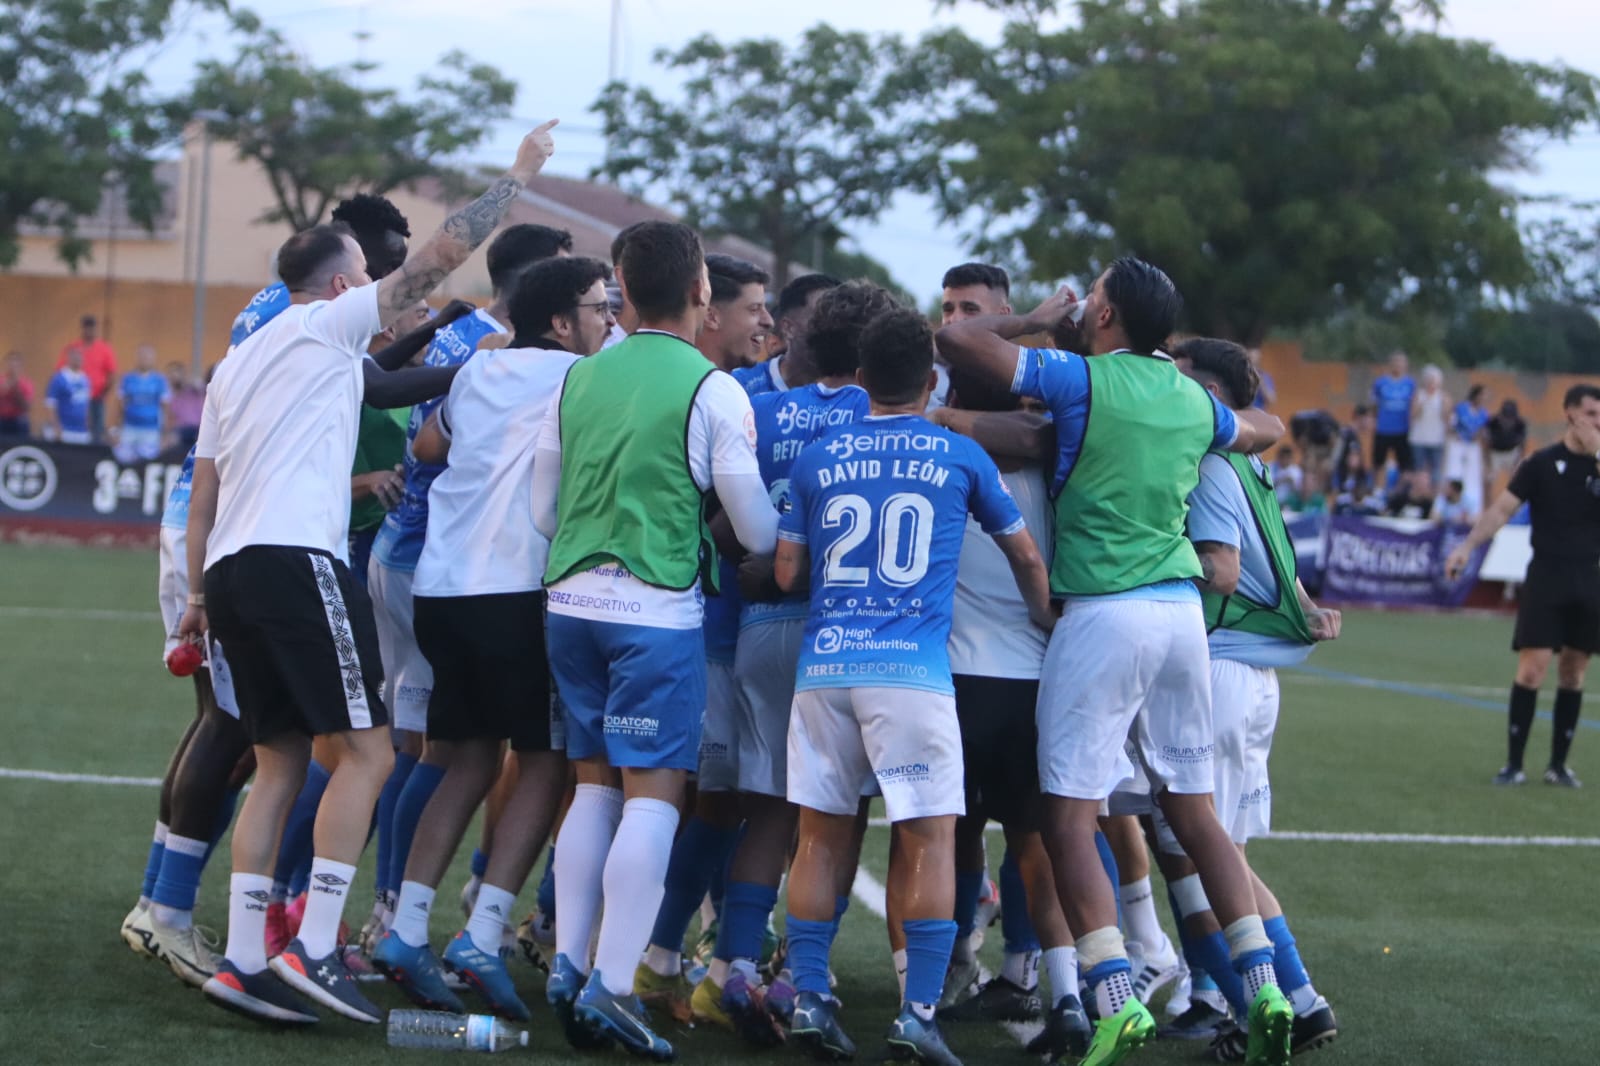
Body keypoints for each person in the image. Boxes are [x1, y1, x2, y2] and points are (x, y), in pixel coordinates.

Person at [181, 117, 560, 1027]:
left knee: (276, 765)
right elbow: (440, 254)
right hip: (293, 558)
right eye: (367, 272)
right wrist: (517, 175)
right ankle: (313, 946)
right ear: (345, 283)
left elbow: (208, 487)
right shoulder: (326, 323)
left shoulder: (241, 365)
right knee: (370, 751)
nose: (380, 285)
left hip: (232, 570)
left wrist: (194, 596)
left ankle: (243, 961)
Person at [935, 257, 1292, 1066]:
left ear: (1103, 316)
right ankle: (1263, 983)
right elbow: (1265, 427)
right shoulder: (1190, 397)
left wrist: (1031, 318)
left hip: (1102, 613)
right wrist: (1223, 424)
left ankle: (1112, 995)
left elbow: (957, 341)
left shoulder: (1079, 379)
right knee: (1195, 813)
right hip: (1180, 620)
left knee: (1067, 816)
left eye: (1090, 298)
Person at [774, 306, 1052, 1066]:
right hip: (911, 672)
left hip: (825, 666)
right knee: (928, 836)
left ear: (860, 381)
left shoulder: (819, 456)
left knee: (822, 836)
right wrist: (1043, 615)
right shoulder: (958, 453)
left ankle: (808, 996)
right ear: (931, 381)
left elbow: (788, 572)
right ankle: (919, 1012)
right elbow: (1026, 556)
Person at [531, 220, 779, 1059]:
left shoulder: (579, 379)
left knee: (593, 788)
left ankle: (569, 966)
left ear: (620, 289)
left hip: (569, 604)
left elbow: (541, 507)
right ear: (702, 291)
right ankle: (611, 983)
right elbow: (751, 522)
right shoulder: (715, 390)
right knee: (652, 797)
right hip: (654, 611)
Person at [373, 255, 615, 1020]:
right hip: (516, 589)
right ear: (560, 320)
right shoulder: (584, 378)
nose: (609, 320)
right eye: (598, 308)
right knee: (546, 763)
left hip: (443, 587)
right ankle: (482, 930)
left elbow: (428, 449)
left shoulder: (477, 370)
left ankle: (406, 926)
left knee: (467, 759)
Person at [672, 282, 884, 1041]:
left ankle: (730, 967)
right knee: (835, 812)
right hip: (846, 636)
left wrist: (764, 561)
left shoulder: (761, 411)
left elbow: (722, 521)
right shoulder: (879, 415)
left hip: (761, 627)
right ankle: (800, 975)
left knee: (765, 803)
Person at [1175, 337, 1342, 1058]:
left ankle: (1261, 1001)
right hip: (1249, 679)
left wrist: (1128, 553)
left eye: (1178, 383)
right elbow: (1279, 566)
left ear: (1207, 396)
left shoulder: (1210, 458)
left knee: (1197, 853)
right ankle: (1290, 997)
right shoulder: (1249, 460)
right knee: (1223, 856)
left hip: (1220, 672)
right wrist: (1305, 606)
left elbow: (1223, 568)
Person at [637, 252, 780, 1031]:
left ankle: (683, 955)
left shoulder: (737, 389)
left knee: (712, 802)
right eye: (754, 307)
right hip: (702, 630)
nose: (766, 321)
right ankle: (667, 956)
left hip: (699, 629)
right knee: (707, 801)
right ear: (708, 310)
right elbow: (730, 523)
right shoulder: (713, 393)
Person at [1446, 384, 1600, 790]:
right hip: (1547, 575)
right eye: (1590, 413)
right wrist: (1467, 546)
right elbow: (1501, 509)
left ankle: (1558, 766)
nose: (1597, 421)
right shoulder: (1542, 463)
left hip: (1590, 578)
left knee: (1574, 672)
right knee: (1533, 670)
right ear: (1569, 414)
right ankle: (1514, 764)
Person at [733, 273, 842, 397]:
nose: (833, 328)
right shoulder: (739, 385)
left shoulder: (854, 397)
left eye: (838, 320)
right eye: (822, 317)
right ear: (788, 328)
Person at [57, 314, 117, 442]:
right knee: (75, 430)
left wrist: (102, 394)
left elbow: (111, 374)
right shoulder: (73, 348)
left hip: (96, 399)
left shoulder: (104, 349)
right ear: (82, 329)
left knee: (96, 431)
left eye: (92, 328)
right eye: (86, 328)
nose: (89, 331)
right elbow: (61, 371)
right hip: (74, 399)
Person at [117, 344, 172, 461]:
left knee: (148, 461)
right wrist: (115, 428)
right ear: (137, 358)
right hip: (129, 428)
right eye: (142, 356)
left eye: (148, 356)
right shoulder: (127, 379)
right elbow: (120, 404)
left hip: (151, 429)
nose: (145, 359)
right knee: (125, 460)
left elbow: (165, 407)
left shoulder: (160, 380)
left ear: (153, 359)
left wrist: (165, 433)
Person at [1446, 384, 1490, 516]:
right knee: (1454, 473)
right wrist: (1455, 434)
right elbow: (1451, 423)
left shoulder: (1483, 413)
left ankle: (1472, 509)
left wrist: (1478, 437)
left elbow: (1482, 431)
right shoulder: (1461, 408)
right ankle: (1449, 505)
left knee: (1472, 478)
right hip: (1458, 444)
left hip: (1472, 446)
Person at [1370, 351, 1415, 474]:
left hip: (1402, 429)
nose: (1398, 366)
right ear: (1390, 364)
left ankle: (1401, 490)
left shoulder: (1410, 384)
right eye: (1396, 362)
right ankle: (1376, 489)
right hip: (1383, 428)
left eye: (1401, 363)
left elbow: (1413, 405)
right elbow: (1374, 404)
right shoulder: (1380, 383)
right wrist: (1374, 421)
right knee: (1378, 462)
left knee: (1404, 464)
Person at [1407, 365, 1449, 483]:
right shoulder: (1418, 396)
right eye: (1429, 380)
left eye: (1434, 381)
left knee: (1435, 472)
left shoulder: (1443, 397)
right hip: (1419, 439)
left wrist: (1443, 404)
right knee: (1418, 469)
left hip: (1436, 440)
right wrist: (1422, 402)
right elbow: (1413, 415)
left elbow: (1446, 418)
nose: (1431, 384)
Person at [44, 345, 93, 444]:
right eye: (75, 355)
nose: (78, 358)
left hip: (81, 431)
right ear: (68, 357)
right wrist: (55, 427)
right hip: (64, 430)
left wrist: (88, 424)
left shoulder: (85, 379)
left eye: (80, 355)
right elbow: (50, 404)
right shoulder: (58, 378)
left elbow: (86, 404)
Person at [1486, 398, 1528, 485]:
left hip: (1511, 452)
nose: (1508, 422)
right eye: (1506, 418)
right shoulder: (1492, 423)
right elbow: (1486, 442)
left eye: (1511, 418)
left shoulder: (1520, 424)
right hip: (1495, 453)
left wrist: (1518, 461)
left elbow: (1522, 444)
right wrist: (1487, 460)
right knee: (1489, 479)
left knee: (1517, 478)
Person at [167, 361, 206, 451]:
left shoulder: (192, 388)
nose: (174, 376)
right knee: (173, 441)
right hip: (180, 430)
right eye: (171, 373)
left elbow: (199, 385)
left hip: (197, 428)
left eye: (176, 372)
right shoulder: (169, 393)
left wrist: (185, 382)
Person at [0, 351, 33, 437]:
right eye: (10, 362)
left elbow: (26, 407)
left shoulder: (26, 383)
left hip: (18, 421)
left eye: (15, 363)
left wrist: (16, 389)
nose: (12, 366)